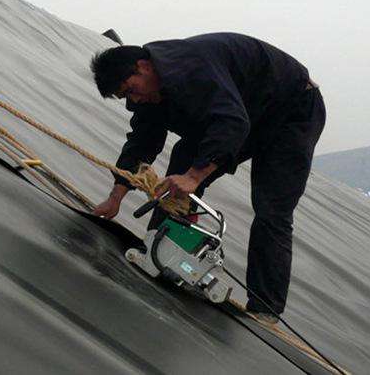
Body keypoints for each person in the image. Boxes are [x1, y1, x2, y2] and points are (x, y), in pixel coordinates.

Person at [90, 32, 325, 322]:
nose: (134, 99)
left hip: (293, 109)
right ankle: (159, 249)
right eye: (126, 97)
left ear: (144, 66)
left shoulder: (191, 69)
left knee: (271, 208)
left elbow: (232, 122)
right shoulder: (148, 92)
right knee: (183, 163)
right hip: (245, 107)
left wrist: (194, 177)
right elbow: (142, 141)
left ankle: (265, 308)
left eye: (131, 90)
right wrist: (115, 198)